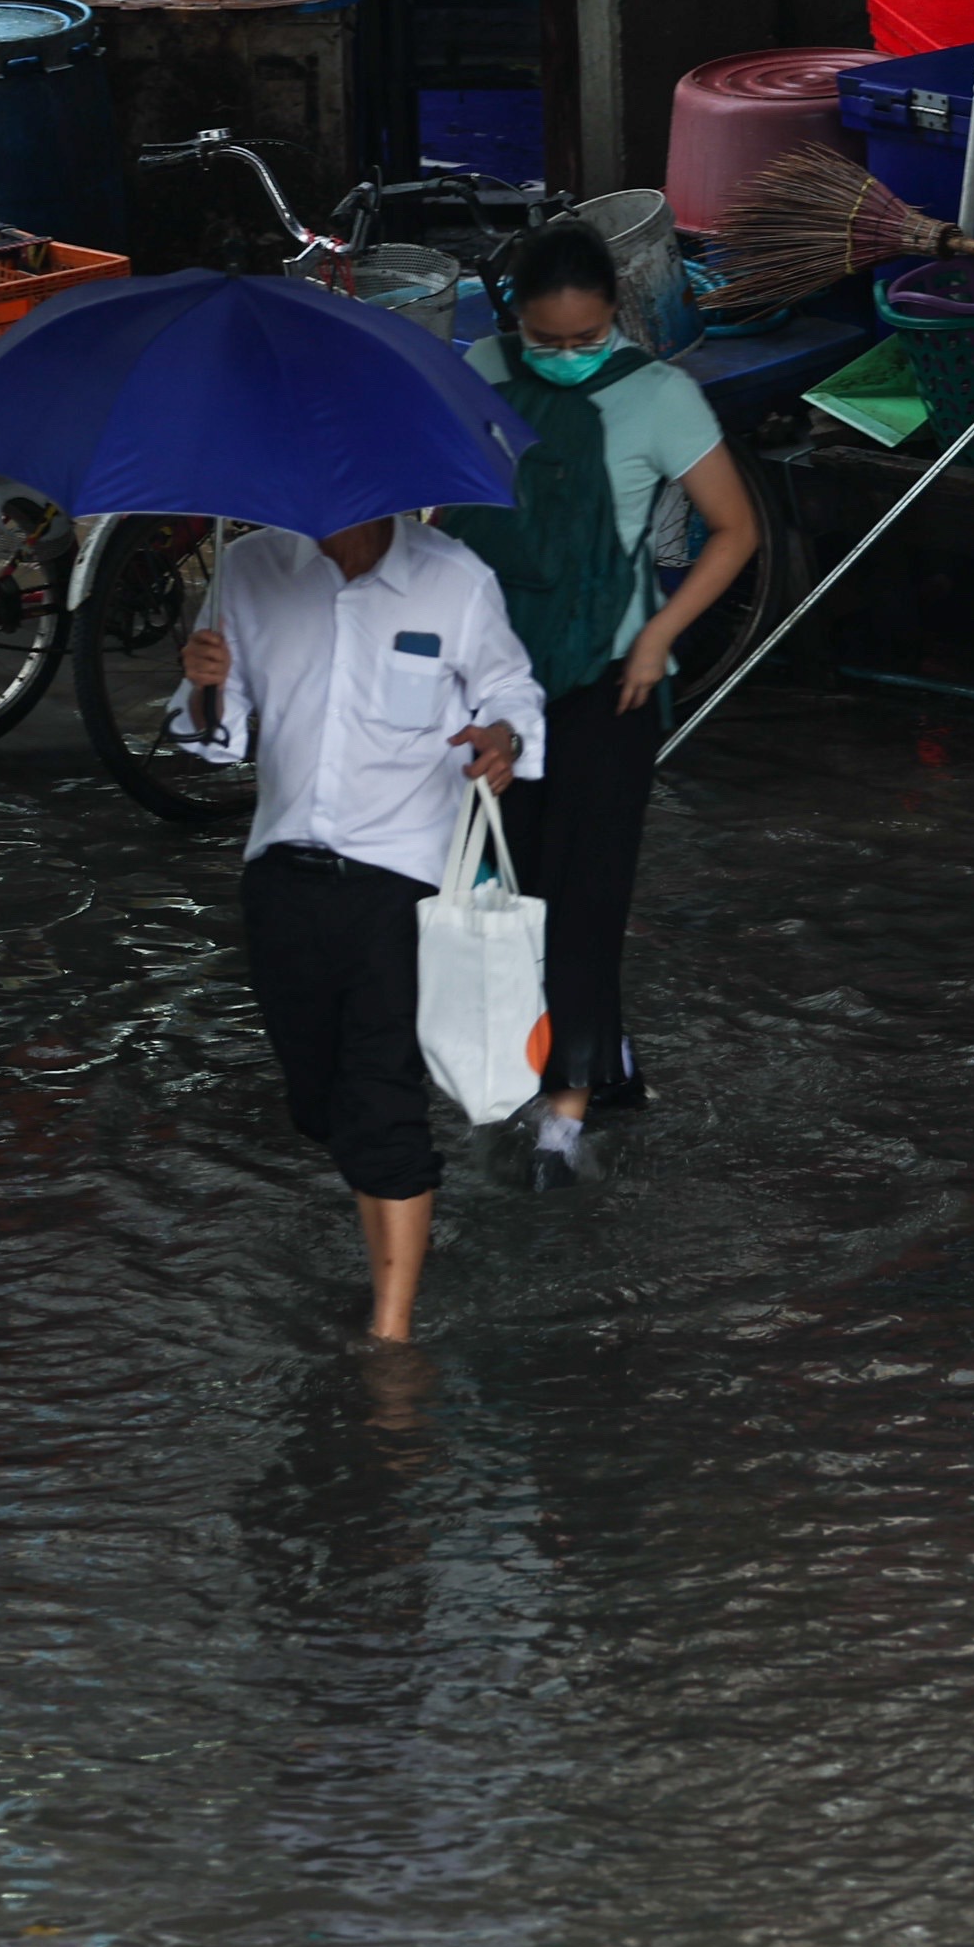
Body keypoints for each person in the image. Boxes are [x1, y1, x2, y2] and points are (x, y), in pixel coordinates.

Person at [441, 219, 760, 1192]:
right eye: (549, 341)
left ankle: (562, 1124)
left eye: (586, 340)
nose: (569, 357)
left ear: (615, 318)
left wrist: (659, 636)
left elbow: (735, 530)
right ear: (515, 322)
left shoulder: (662, 399)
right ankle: (606, 1070)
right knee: (518, 889)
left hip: (609, 684)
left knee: (590, 898)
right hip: (495, 679)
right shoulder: (476, 373)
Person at [175, 515, 541, 1343]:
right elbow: (215, 744)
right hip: (281, 874)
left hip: (405, 881)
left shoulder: (455, 577)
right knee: (321, 1101)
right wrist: (203, 682)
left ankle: (391, 1331)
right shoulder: (249, 568)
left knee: (380, 1097)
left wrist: (502, 738)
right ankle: (388, 1248)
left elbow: (511, 689)